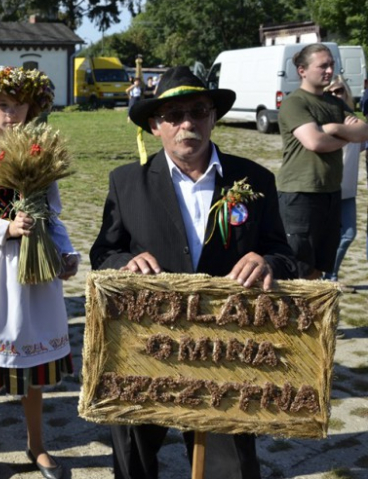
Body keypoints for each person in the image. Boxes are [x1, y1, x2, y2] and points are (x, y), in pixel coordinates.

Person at [90, 66, 298, 479]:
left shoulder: (253, 179)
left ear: (212, 117)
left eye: (198, 111)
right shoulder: (127, 182)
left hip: (223, 353)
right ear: (155, 126)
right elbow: (104, 252)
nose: (188, 123)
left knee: (228, 466)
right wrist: (124, 264)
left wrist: (268, 262)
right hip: (144, 348)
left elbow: (283, 253)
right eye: (173, 115)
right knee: (134, 458)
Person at [0, 67, 77, 479]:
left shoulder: (43, 152)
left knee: (34, 366)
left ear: (31, 107)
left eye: (18, 105)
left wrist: (66, 251)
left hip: (37, 268)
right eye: (3, 106)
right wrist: (4, 228)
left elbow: (54, 214)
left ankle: (37, 445)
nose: (11, 114)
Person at [277, 43, 368, 279]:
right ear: (302, 71)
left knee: (320, 265)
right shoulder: (295, 102)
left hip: (330, 192)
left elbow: (363, 132)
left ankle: (312, 315)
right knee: (298, 268)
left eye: (331, 65)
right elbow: (314, 142)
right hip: (301, 193)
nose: (329, 70)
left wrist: (333, 128)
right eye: (323, 66)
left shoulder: (335, 103)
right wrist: (344, 137)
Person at [322, 76, 363, 281]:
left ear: (346, 92)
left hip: (347, 191)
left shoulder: (357, 123)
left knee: (348, 234)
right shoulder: (323, 123)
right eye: (329, 92)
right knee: (322, 237)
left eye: (338, 91)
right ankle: (323, 276)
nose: (335, 95)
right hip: (325, 189)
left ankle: (330, 275)